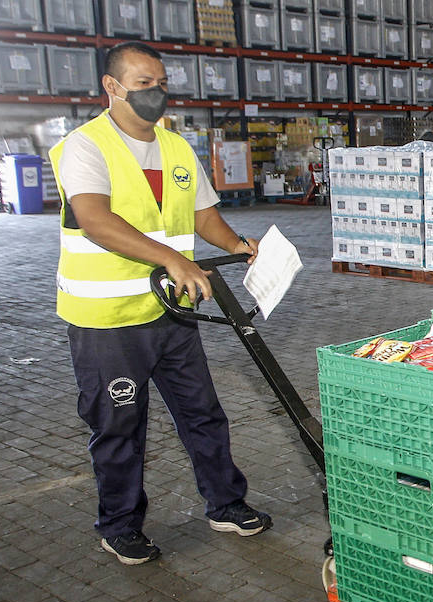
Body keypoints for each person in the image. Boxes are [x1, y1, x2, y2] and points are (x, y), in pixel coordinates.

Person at [51, 41, 272, 565]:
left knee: (203, 414)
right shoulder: (84, 147)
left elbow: (202, 215)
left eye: (162, 83)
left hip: (173, 312)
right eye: (144, 83)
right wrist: (173, 260)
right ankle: (120, 525)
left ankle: (225, 503)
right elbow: (95, 219)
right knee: (120, 426)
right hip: (107, 321)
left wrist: (238, 245)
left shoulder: (175, 148)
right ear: (113, 87)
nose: (156, 93)